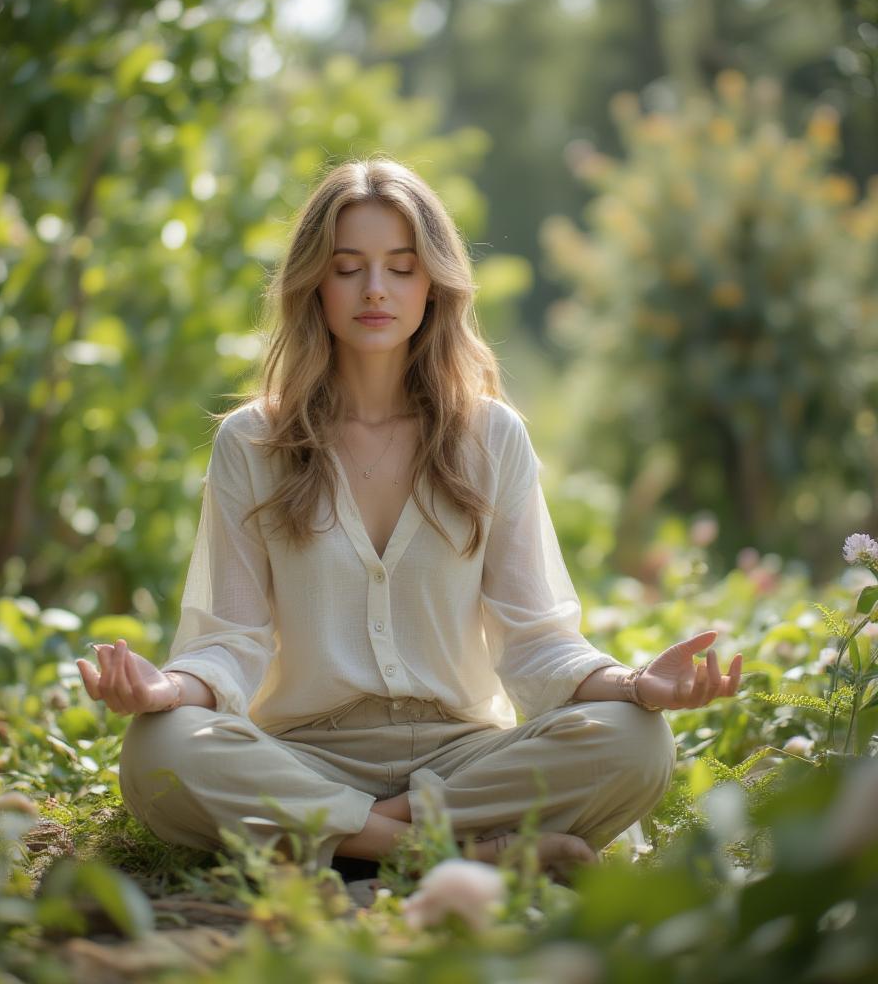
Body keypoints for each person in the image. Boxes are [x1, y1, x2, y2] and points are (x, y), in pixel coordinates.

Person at [77, 157, 742, 880]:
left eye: (400, 266)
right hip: (307, 751)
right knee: (158, 750)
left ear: (433, 283)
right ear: (314, 285)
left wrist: (637, 686)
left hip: (464, 755)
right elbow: (231, 642)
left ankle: (340, 841)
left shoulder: (492, 438)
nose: (374, 290)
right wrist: (165, 691)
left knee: (636, 743)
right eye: (347, 267)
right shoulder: (251, 442)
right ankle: (455, 851)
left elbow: (537, 643)